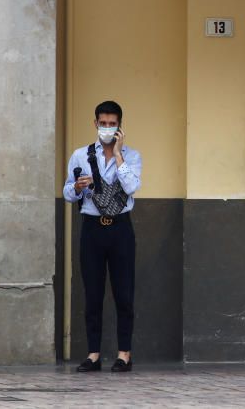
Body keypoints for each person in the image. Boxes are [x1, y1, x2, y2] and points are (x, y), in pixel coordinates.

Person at [63, 100, 142, 373]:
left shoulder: (132, 156)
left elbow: (132, 186)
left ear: (120, 126)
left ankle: (124, 354)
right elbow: (67, 193)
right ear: (95, 123)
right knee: (93, 294)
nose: (107, 128)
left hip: (120, 229)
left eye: (113, 124)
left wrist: (118, 155)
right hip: (92, 229)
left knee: (124, 293)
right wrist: (76, 185)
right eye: (103, 123)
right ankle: (93, 355)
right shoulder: (80, 156)